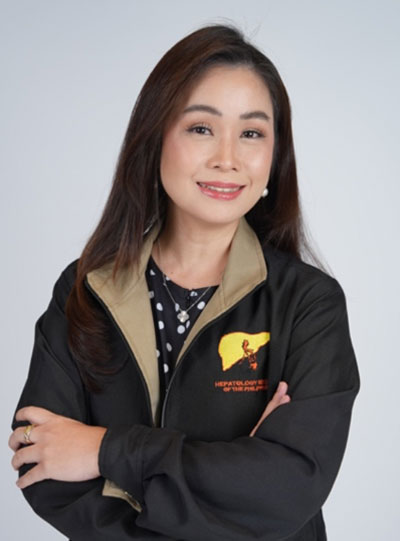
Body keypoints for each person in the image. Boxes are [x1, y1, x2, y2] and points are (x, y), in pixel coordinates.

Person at [9, 24, 360, 540]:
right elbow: (40, 465)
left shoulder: (309, 304)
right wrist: (230, 475)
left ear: (275, 156)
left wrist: (103, 451)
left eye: (252, 133)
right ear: (155, 138)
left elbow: (285, 489)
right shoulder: (85, 290)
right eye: (201, 128)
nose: (227, 158)